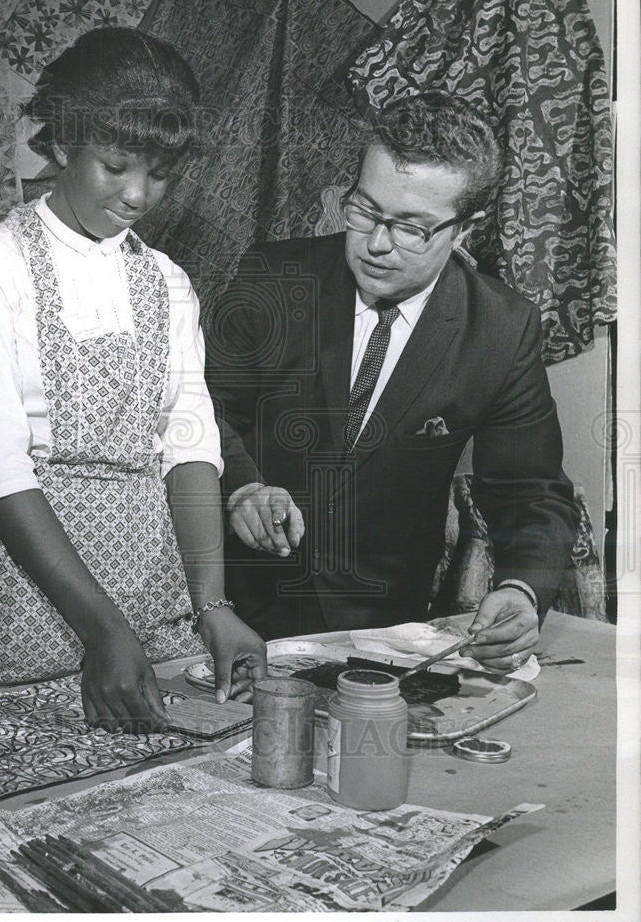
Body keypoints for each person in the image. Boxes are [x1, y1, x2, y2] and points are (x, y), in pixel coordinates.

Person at [0, 26, 266, 728]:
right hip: (17, 595)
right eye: (116, 164)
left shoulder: (168, 283)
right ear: (65, 143)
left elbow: (190, 447)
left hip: (147, 594)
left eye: (159, 173)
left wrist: (212, 606)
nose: (137, 194)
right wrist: (102, 628)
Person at [205, 91, 578, 674]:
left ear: (465, 230)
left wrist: (523, 588)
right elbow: (202, 411)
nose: (377, 244)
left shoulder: (501, 330)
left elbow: (531, 491)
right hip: (236, 617)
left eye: (411, 229)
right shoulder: (274, 277)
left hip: (383, 636)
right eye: (365, 210)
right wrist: (242, 487)